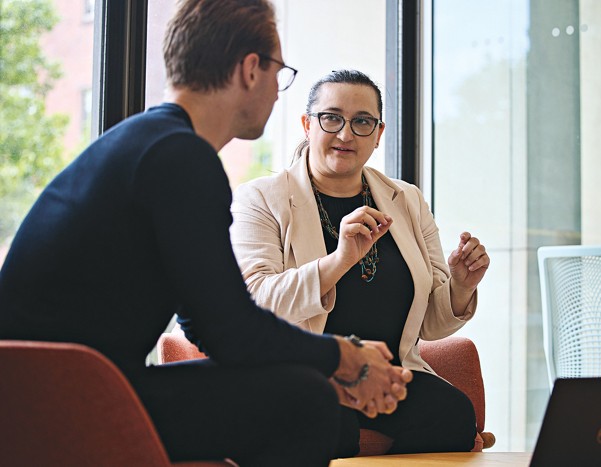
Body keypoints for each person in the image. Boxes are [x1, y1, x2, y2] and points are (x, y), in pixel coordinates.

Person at [0, 3, 411, 466]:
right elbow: (230, 330)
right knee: (304, 402)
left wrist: (319, 360)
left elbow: (205, 320)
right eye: (280, 71)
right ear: (250, 69)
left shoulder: (150, 142)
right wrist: (342, 356)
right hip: (63, 399)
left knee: (306, 390)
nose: (279, 91)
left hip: (45, 391)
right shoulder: (181, 157)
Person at [228, 69, 490, 457]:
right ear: (307, 125)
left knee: (450, 413)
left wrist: (460, 285)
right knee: (325, 419)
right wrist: (339, 261)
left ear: (379, 134)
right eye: (331, 118)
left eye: (362, 122)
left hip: (389, 373)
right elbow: (256, 298)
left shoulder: (407, 200)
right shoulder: (261, 198)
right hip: (307, 373)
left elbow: (431, 325)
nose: (345, 134)